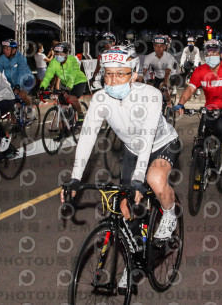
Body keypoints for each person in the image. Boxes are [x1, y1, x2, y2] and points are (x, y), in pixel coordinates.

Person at [61, 45, 180, 290]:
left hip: (161, 143)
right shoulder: (100, 99)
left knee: (155, 180)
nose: (113, 80)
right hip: (133, 151)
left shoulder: (151, 95)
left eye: (120, 74)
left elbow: (147, 137)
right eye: (108, 74)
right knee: (124, 207)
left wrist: (138, 179)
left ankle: (170, 213)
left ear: (134, 74)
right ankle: (134, 260)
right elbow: (87, 137)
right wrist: (75, 178)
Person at [174, 39, 222, 161]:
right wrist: (181, 104)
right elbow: (190, 89)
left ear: (221, 54)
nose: (211, 55)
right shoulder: (200, 70)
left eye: (214, 53)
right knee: (201, 135)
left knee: (220, 128)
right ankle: (201, 166)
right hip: (209, 108)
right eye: (208, 53)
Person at [39, 42, 88, 125]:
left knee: (72, 98)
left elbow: (72, 76)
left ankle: (80, 114)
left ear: (66, 54)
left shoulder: (72, 60)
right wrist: (42, 87)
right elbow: (48, 75)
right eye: (56, 53)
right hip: (65, 83)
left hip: (78, 81)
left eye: (60, 54)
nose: (58, 56)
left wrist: (68, 89)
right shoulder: (54, 62)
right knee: (62, 105)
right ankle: (65, 127)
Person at [0, 39, 35, 105]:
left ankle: (30, 107)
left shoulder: (21, 58)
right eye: (4, 48)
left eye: (7, 49)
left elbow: (21, 73)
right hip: (13, 83)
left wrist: (17, 85)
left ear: (14, 50)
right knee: (12, 101)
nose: (5, 50)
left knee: (22, 95)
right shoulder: (2, 58)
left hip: (27, 81)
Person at [143, 35, 177, 106]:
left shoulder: (171, 52)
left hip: (171, 73)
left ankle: (169, 103)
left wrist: (165, 82)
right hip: (159, 74)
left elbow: (169, 70)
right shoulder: (152, 55)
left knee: (165, 88)